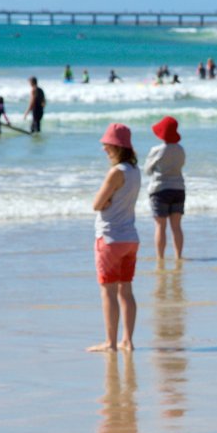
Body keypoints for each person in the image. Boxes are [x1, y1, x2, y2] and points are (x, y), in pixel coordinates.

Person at [88, 123, 142, 353]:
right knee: (126, 290)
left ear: (117, 147)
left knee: (108, 291)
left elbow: (96, 204)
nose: (104, 149)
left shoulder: (116, 172)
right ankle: (128, 341)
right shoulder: (134, 171)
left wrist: (106, 202)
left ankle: (110, 343)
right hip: (130, 237)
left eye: (107, 145)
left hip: (110, 237)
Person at [144, 116, 185, 260]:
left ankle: (160, 258)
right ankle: (178, 256)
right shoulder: (180, 150)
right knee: (176, 226)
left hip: (160, 189)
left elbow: (147, 170)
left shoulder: (157, 150)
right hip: (179, 189)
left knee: (160, 226)